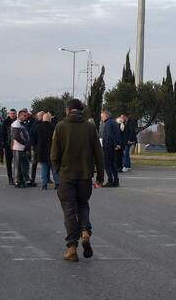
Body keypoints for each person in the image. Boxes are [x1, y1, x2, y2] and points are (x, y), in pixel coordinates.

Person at [51, 99, 104, 261]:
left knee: (69, 210)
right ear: (81, 110)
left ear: (67, 110)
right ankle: (85, 231)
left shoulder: (60, 126)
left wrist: (60, 171)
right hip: (85, 176)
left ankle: (72, 247)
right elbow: (98, 154)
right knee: (83, 205)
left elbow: (54, 155)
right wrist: (100, 177)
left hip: (67, 176)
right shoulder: (90, 127)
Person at [33, 112, 59, 190]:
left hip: (41, 150)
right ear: (49, 119)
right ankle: (57, 183)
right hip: (52, 150)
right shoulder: (54, 127)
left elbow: (34, 140)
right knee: (54, 168)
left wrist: (36, 148)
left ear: (43, 119)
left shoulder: (37, 127)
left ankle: (44, 184)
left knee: (44, 167)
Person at [10, 109, 32, 187]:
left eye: (26, 116)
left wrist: (27, 144)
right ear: (20, 116)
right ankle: (17, 181)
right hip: (18, 147)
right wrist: (25, 143)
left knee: (25, 164)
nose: (26, 117)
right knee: (17, 165)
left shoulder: (23, 123)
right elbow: (16, 136)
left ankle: (26, 180)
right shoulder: (16, 124)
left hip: (24, 147)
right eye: (24, 116)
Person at [100, 111, 121, 187]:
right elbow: (118, 135)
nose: (102, 119)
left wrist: (114, 144)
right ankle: (116, 181)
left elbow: (109, 135)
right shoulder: (115, 122)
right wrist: (118, 144)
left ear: (106, 116)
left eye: (102, 117)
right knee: (113, 164)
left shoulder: (108, 123)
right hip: (114, 146)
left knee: (107, 165)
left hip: (109, 146)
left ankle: (110, 181)